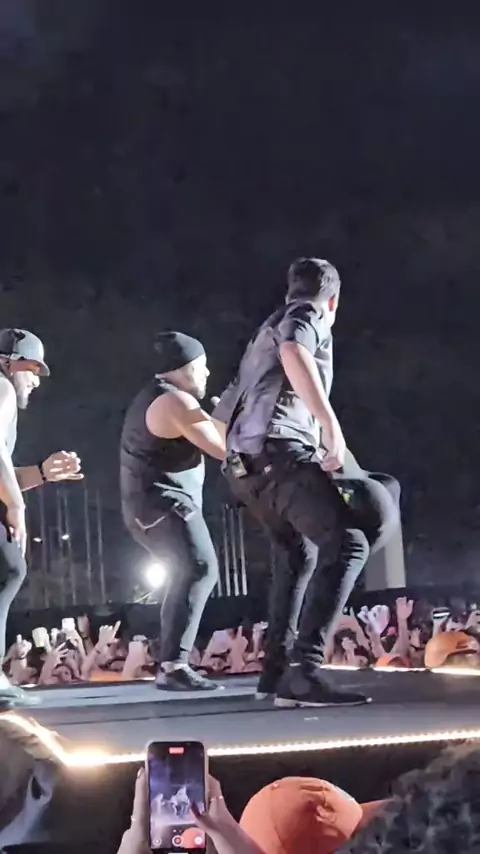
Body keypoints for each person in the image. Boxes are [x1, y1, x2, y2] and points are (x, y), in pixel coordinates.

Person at [214, 258, 399, 707]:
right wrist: (330, 425)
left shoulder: (262, 333)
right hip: (278, 454)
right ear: (333, 301)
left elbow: (222, 414)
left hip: (245, 469)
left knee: (297, 554)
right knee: (348, 545)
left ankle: (275, 674)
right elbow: (295, 352)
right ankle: (305, 672)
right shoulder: (307, 313)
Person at [120, 331, 226, 692]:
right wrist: (230, 412)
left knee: (189, 570)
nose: (207, 373)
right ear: (183, 368)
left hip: (152, 506)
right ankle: (173, 665)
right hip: (161, 503)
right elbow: (224, 448)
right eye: (202, 366)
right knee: (199, 567)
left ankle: (172, 662)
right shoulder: (173, 401)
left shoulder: (162, 397)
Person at [0, 328, 83, 708]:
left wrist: (43, 473)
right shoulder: (2, 388)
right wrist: (17, 508)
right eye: (31, 369)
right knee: (8, 568)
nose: (35, 380)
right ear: (7, 362)